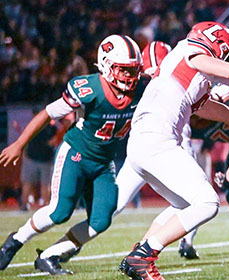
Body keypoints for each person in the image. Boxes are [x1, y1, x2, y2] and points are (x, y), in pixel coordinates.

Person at [117, 21, 229, 280]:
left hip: (144, 143)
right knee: (208, 203)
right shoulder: (190, 52)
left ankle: (139, 252)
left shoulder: (188, 74)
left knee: (183, 205)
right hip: (156, 139)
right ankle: (143, 256)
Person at [0, 34, 146, 275]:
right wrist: (19, 144)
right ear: (107, 65)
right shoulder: (89, 89)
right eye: (123, 70)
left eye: (133, 70)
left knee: (101, 220)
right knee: (59, 212)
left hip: (103, 163)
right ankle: (14, 241)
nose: (130, 77)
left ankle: (49, 256)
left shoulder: (142, 88)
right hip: (76, 155)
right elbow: (47, 113)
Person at [18, 114, 57, 211]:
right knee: (45, 184)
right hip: (45, 159)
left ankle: (24, 205)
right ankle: (46, 206)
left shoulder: (32, 126)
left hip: (33, 158)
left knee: (28, 183)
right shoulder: (52, 128)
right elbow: (52, 142)